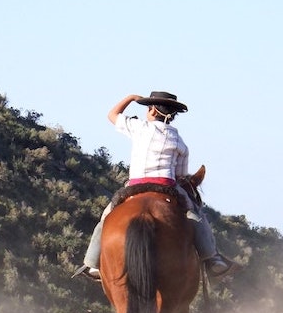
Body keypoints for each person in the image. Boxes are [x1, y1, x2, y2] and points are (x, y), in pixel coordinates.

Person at [73, 91, 236, 281]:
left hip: (134, 186)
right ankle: (213, 259)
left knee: (107, 216)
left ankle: (92, 263)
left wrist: (131, 98)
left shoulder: (138, 127)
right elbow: (181, 175)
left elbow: (112, 115)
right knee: (195, 215)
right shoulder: (180, 142)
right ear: (172, 116)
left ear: (151, 110)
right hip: (167, 187)